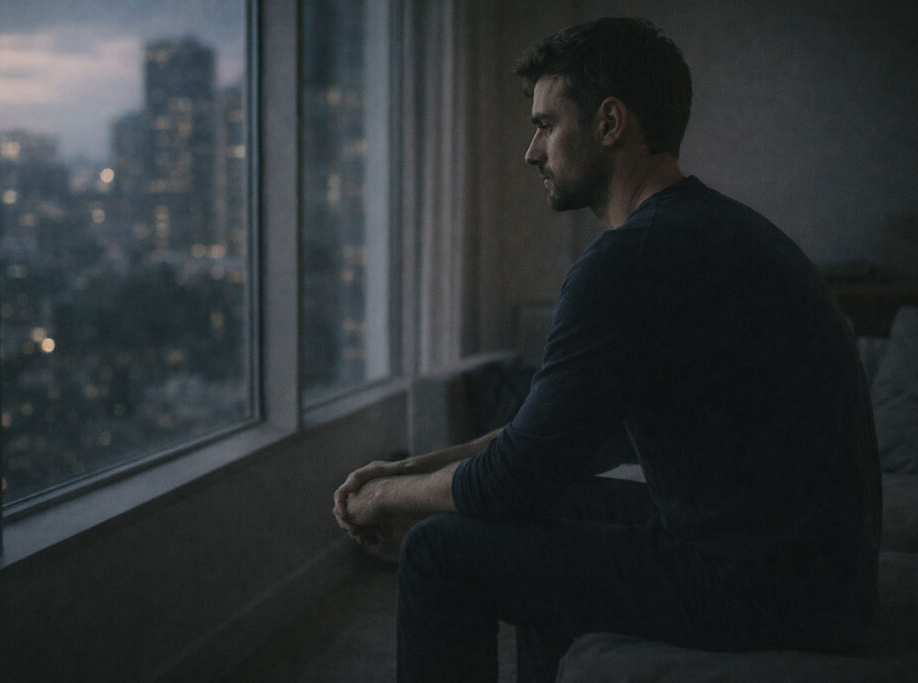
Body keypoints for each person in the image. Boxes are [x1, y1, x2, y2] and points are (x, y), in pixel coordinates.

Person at [332, 17, 880, 683]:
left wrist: (391, 496)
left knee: (438, 551)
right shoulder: (714, 229)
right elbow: (557, 445)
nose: (532, 150)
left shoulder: (627, 262)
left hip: (769, 594)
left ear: (610, 122)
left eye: (545, 124)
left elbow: (511, 479)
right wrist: (419, 464)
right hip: (816, 578)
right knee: (549, 501)